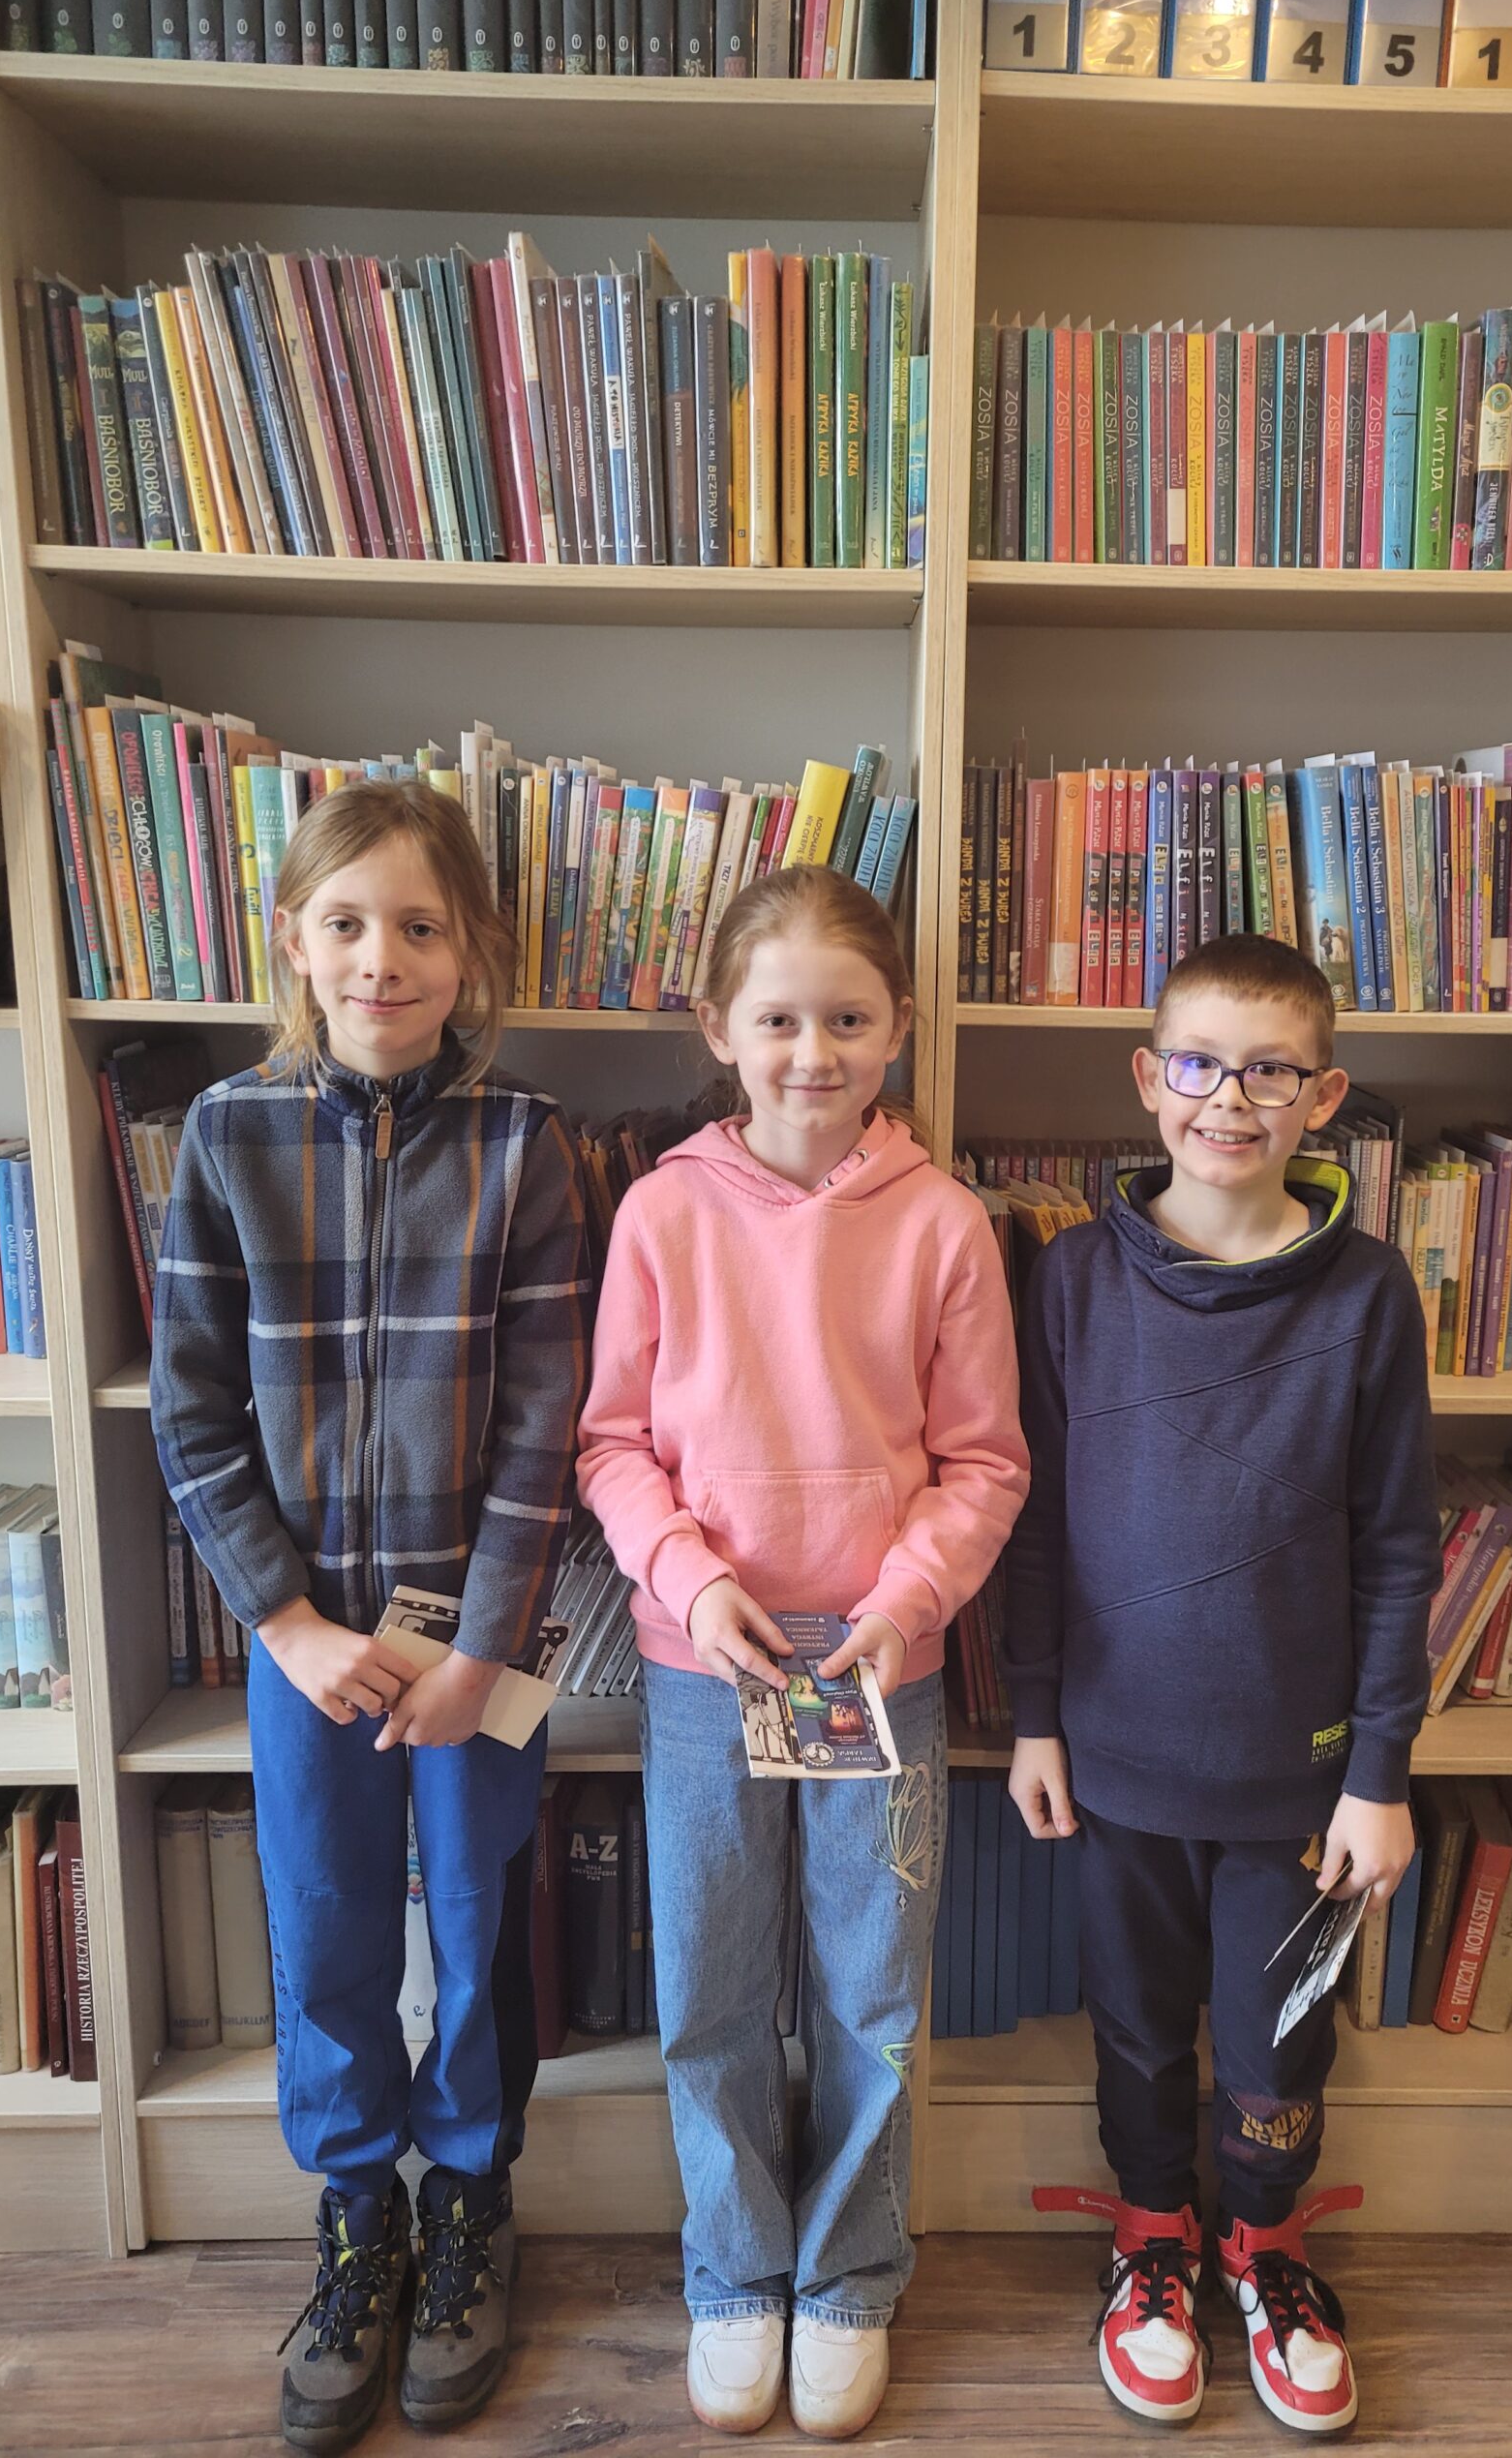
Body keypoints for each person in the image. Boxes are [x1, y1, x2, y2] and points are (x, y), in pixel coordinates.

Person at [150, 779, 589, 2453]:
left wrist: (480, 1649)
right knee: (325, 1915)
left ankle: (469, 2197)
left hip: (477, 1640)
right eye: (346, 923)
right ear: (293, 940)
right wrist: (284, 1623)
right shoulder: (227, 1136)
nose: (381, 958)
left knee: (477, 1912)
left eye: (418, 926)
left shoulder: (527, 1143)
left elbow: (546, 1425)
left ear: (470, 951)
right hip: (307, 1643)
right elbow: (192, 1412)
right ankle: (357, 2215)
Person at [577, 865, 1028, 2440]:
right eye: (778, 1021)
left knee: (868, 1992)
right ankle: (732, 2268)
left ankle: (847, 2275)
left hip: (879, 1672)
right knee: (709, 1983)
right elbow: (613, 1444)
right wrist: (692, 1584)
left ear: (897, 1029)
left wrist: (906, 1603)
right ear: (720, 1028)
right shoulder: (662, 1211)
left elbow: (985, 1464)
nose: (812, 1054)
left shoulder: (945, 1223)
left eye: (847, 1020)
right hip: (704, 1668)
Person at [1005, 931, 1438, 2438]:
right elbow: (1036, 1525)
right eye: (1199, 1064)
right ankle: (1152, 2241)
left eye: (1269, 1072)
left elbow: (1399, 1552)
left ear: (1323, 1097)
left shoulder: (1369, 1296)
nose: (1229, 1100)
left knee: (1275, 2045)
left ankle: (1265, 2242)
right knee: (1135, 2026)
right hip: (1117, 1762)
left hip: (1299, 1783)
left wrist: (1379, 1774)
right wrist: (1035, 1717)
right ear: (1149, 1078)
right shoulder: (1072, 1280)